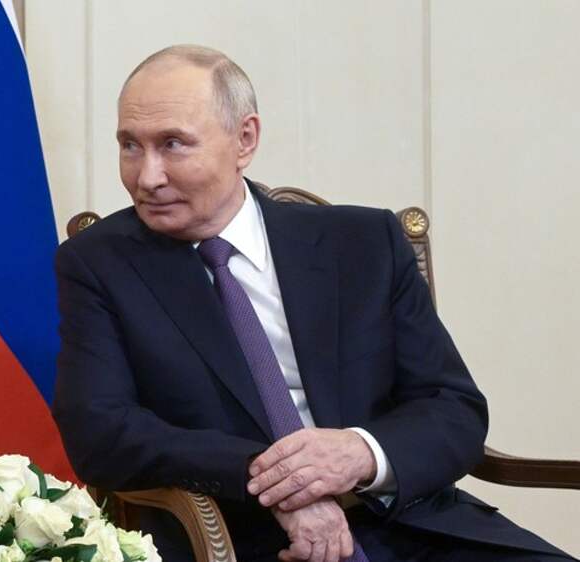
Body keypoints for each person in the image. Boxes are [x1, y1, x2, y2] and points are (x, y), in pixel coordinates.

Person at [51, 44, 574, 562]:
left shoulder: (364, 243)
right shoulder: (99, 264)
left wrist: (360, 454)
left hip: (409, 523)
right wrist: (279, 480)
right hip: (238, 535)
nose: (147, 176)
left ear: (245, 139)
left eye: (173, 144)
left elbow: (453, 408)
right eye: (130, 145)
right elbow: (103, 432)